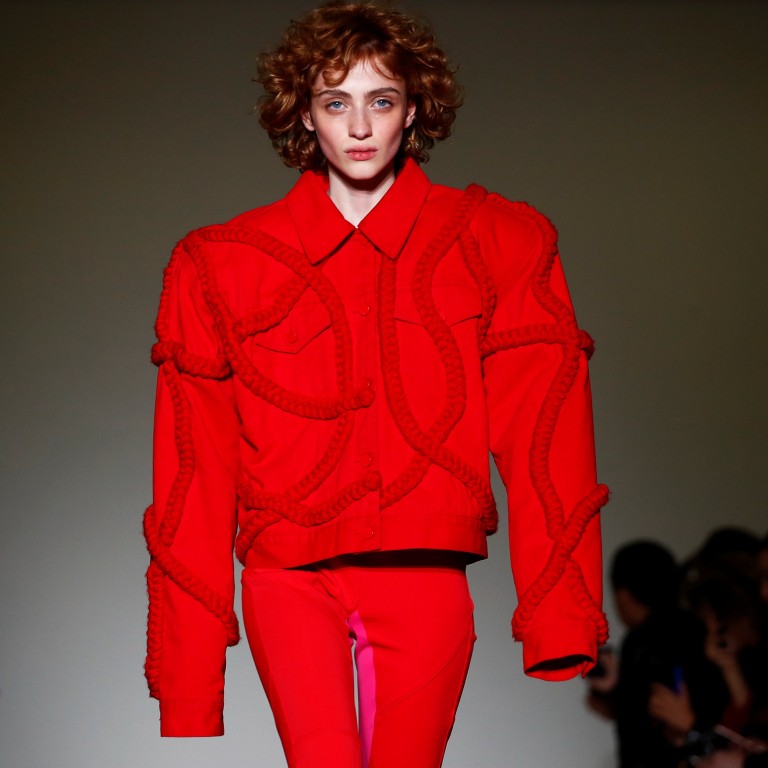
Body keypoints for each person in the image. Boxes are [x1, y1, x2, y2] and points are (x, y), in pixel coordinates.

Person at [142, 2, 608, 766]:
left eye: (380, 101)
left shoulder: (497, 241)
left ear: (413, 109)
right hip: (286, 578)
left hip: (424, 573)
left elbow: (546, 437)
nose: (359, 127)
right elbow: (192, 478)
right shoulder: (220, 264)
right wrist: (189, 682)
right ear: (306, 115)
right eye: (336, 102)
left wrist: (560, 619)